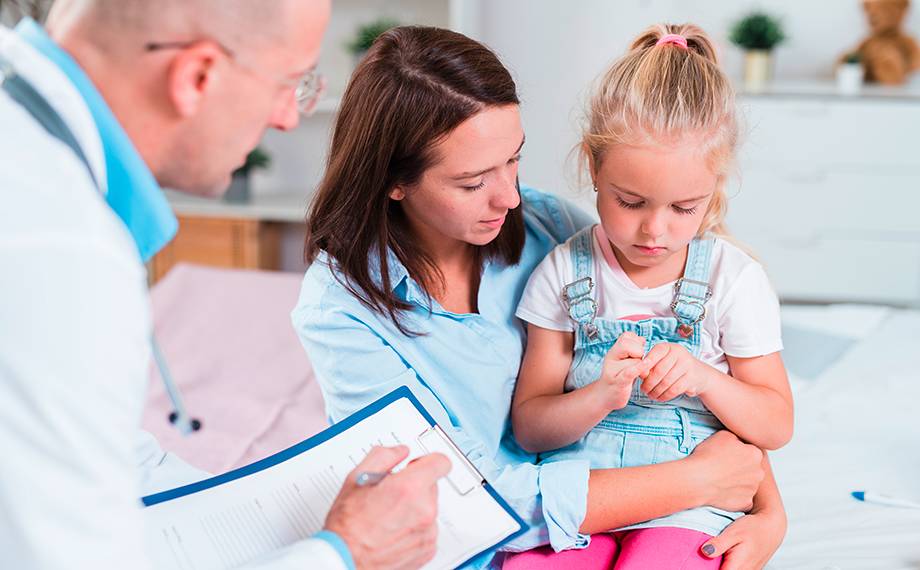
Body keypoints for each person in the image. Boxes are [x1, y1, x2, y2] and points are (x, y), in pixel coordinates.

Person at [293, 25, 786, 570]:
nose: (510, 196)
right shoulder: (339, 312)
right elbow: (465, 499)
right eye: (473, 181)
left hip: (649, 506)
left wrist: (769, 514)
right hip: (501, 540)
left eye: (514, 159)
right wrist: (694, 479)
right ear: (393, 180)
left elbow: (732, 394)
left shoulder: (546, 225)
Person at [0, 2, 449, 569]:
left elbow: (104, 459)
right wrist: (345, 554)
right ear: (198, 77)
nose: (288, 117)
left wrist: (259, 514)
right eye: (290, 83)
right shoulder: (59, 251)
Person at [505, 24, 794, 570]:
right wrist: (598, 397)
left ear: (714, 188)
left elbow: (775, 423)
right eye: (630, 201)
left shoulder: (732, 280)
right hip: (587, 490)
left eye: (684, 208)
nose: (653, 231)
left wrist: (706, 378)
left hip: (692, 503)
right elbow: (529, 426)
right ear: (593, 166)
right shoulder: (563, 273)